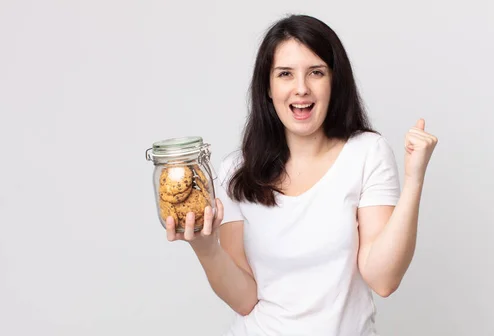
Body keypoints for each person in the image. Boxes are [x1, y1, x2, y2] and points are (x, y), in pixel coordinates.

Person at [165, 14, 438, 336]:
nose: (301, 89)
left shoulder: (366, 152)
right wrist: (206, 248)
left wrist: (414, 179)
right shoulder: (236, 171)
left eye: (316, 73)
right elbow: (244, 300)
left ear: (335, 81)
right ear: (267, 87)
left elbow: (383, 280)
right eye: (285, 74)